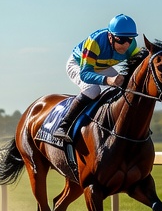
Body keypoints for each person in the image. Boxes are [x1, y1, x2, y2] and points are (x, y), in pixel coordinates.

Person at [52, 14, 142, 144]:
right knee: (92, 90)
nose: (125, 44)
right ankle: (64, 126)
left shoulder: (132, 46)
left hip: (102, 67)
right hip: (80, 65)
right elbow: (85, 74)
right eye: (121, 40)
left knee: (124, 86)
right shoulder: (95, 42)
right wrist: (108, 80)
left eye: (130, 39)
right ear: (110, 36)